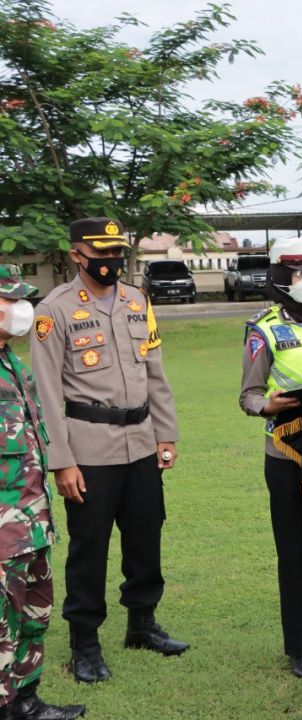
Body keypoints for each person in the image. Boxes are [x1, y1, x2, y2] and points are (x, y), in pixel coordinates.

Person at [30, 218, 187, 684]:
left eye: (116, 253)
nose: (111, 262)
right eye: (100, 255)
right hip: (89, 449)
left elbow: (154, 372)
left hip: (140, 442)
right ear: (77, 254)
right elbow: (46, 392)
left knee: (146, 536)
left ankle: (142, 623)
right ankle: (85, 643)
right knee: (89, 547)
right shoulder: (53, 310)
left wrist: (166, 433)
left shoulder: (137, 301)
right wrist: (62, 460)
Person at [239, 236, 302, 679]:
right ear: (280, 278)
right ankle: (300, 646)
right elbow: (249, 394)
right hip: (285, 454)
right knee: (294, 554)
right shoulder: (264, 329)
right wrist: (266, 405)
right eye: (301, 274)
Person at [0, 265, 86, 720]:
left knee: (33, 617)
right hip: (2, 533)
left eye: (22, 299)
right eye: (9, 300)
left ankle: (25, 702)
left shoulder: (13, 363)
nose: (21, 310)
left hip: (31, 523)